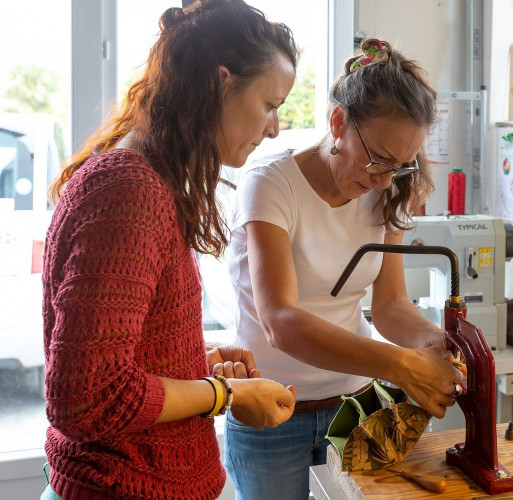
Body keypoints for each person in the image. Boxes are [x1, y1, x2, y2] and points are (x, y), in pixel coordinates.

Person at [41, 1, 299, 499]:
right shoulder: (129, 191)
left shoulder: (145, 179)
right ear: (220, 83)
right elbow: (87, 397)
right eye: (270, 105)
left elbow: (117, 352)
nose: (274, 128)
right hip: (124, 485)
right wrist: (224, 394)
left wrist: (191, 360)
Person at [225, 38, 465, 500]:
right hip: (271, 414)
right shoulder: (270, 185)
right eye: (378, 158)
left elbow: (392, 306)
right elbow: (281, 323)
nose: (383, 180)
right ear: (338, 122)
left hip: (356, 410)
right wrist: (403, 365)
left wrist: (432, 343)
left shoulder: (388, 189)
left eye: (399, 165)